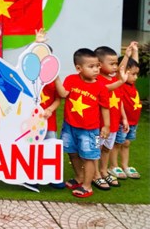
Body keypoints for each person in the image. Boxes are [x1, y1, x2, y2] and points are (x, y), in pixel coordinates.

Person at [54, 48, 110, 198]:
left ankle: (87, 186)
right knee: (72, 152)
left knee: (90, 156)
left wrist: (106, 126)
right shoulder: (71, 79)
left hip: (91, 130)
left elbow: (105, 108)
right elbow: (63, 94)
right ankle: (79, 177)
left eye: (97, 66)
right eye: (91, 66)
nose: (96, 69)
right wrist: (56, 77)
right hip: (69, 126)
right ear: (79, 68)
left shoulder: (101, 86)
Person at [93, 45, 128, 190]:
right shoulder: (97, 80)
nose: (115, 67)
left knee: (107, 149)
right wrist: (120, 81)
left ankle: (103, 170)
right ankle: (95, 174)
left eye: (116, 63)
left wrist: (124, 118)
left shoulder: (116, 79)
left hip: (113, 125)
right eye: (112, 63)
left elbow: (119, 102)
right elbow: (105, 89)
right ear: (99, 65)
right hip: (100, 126)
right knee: (97, 149)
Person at [110, 42, 141, 181]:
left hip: (133, 122)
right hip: (123, 121)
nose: (136, 77)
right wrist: (127, 55)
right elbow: (122, 69)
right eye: (133, 74)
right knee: (117, 143)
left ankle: (125, 165)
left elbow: (134, 65)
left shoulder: (131, 83)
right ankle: (113, 165)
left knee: (127, 143)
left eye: (136, 74)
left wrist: (135, 50)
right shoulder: (121, 83)